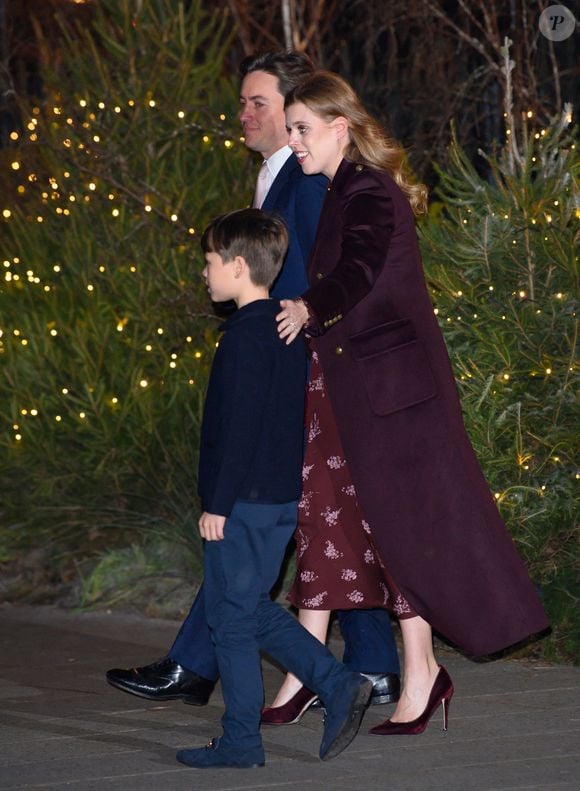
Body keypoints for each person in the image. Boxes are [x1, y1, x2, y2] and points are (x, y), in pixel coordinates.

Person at [106, 52, 400, 713]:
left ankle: (205, 665)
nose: (246, 113)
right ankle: (370, 663)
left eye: (260, 103)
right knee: (314, 523)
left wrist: (282, 348)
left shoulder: (308, 181)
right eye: (244, 102)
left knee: (268, 524)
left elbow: (318, 277)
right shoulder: (280, 177)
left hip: (297, 366)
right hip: (289, 367)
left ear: (303, 114)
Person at [275, 70, 549, 735]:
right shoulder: (340, 190)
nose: (292, 141)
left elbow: (360, 270)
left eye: (301, 128)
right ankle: (418, 670)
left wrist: (312, 303)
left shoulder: (366, 191)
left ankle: (421, 671)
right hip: (371, 394)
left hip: (396, 398)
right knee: (381, 527)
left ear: (339, 128)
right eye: (289, 129)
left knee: (412, 528)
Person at [175, 207, 372, 769]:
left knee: (231, 622)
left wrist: (217, 503)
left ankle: (244, 738)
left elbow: (239, 429)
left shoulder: (245, 340)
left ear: (238, 266)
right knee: (241, 610)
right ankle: (334, 685)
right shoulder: (286, 329)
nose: (205, 273)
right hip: (277, 497)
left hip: (244, 502)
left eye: (210, 262)